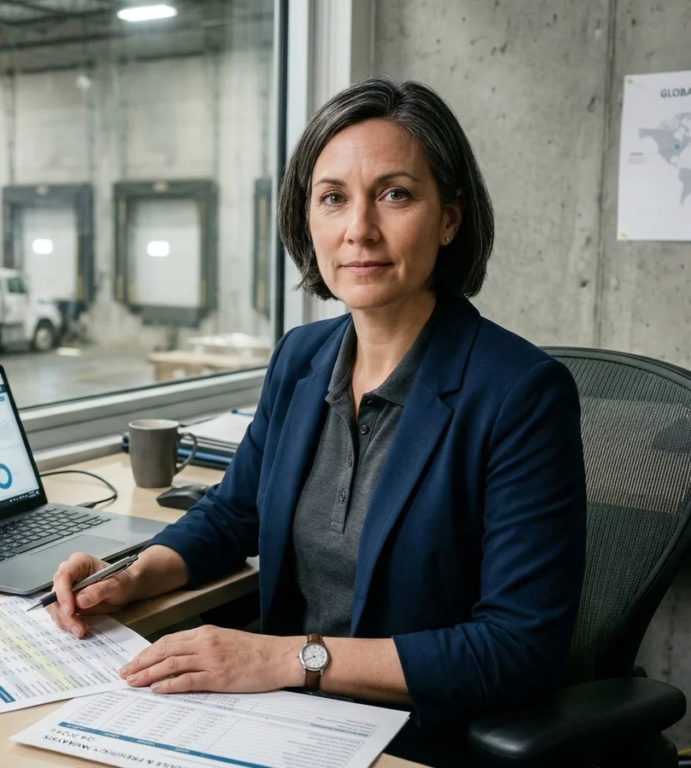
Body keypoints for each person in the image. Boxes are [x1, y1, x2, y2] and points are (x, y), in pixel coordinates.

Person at [47, 78, 587, 766]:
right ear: (307, 218)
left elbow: (518, 649)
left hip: (419, 739)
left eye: (395, 194)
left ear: (449, 218)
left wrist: (287, 659)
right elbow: (233, 514)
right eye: (333, 197)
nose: (358, 228)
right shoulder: (302, 358)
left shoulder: (521, 394)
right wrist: (132, 576)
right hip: (283, 721)